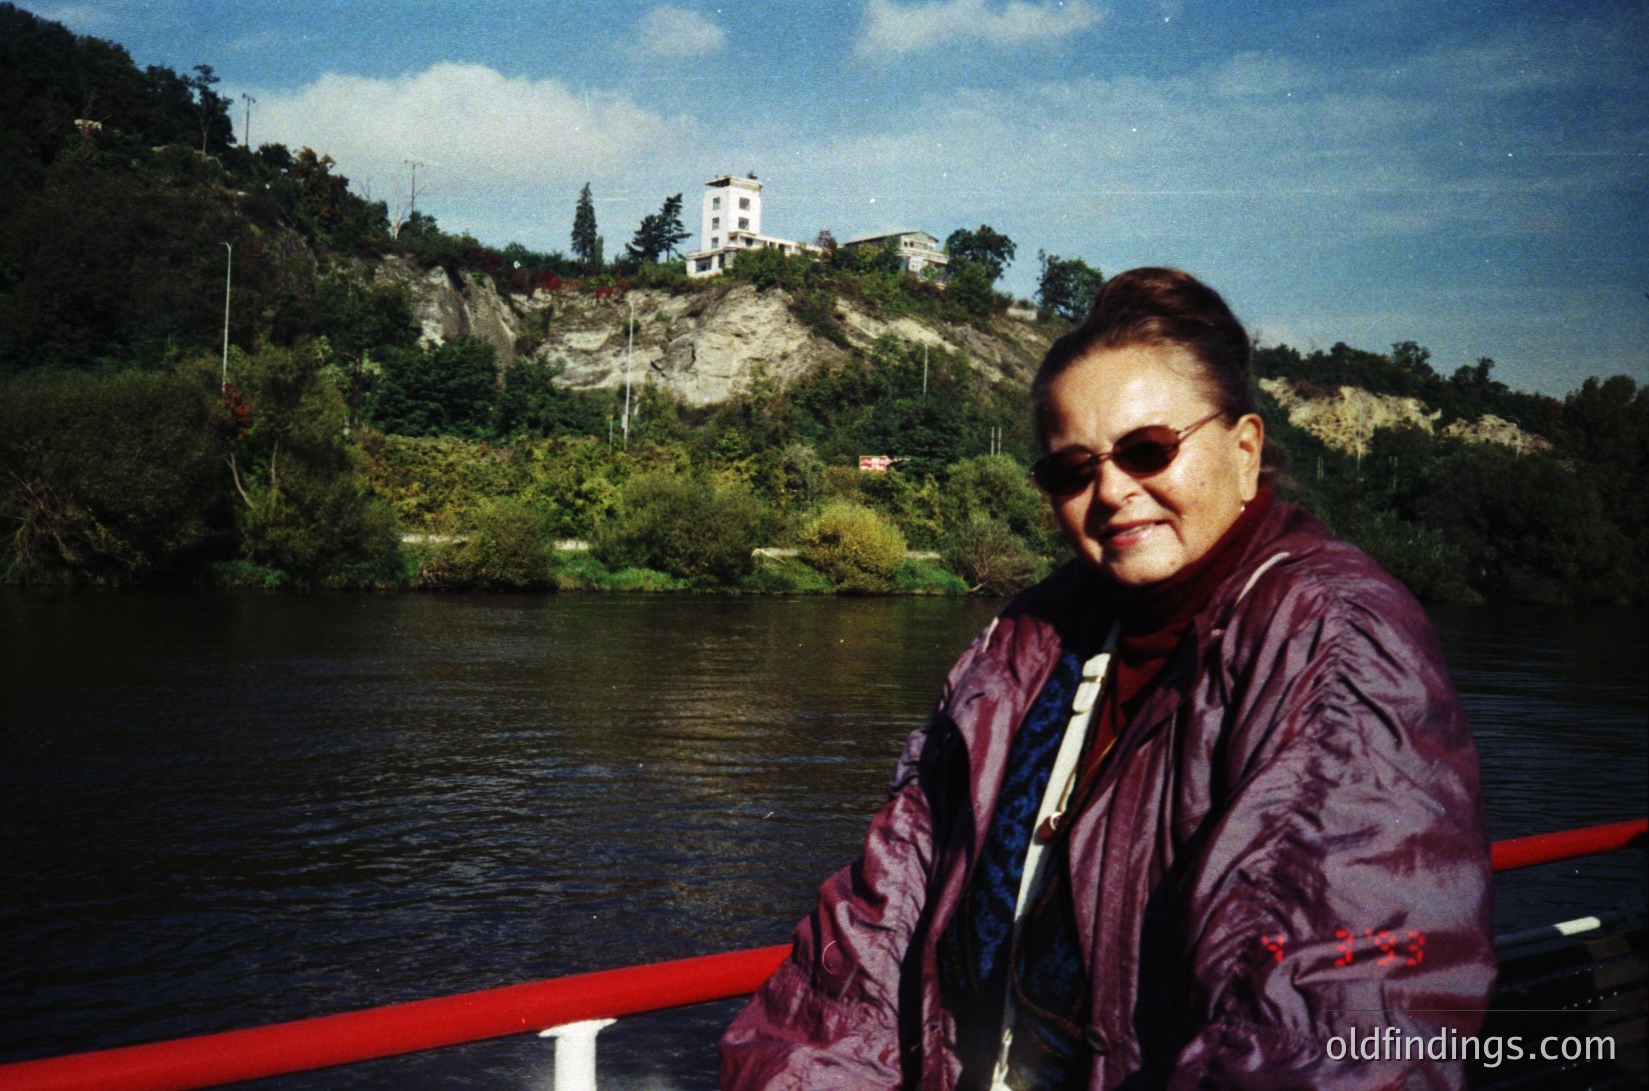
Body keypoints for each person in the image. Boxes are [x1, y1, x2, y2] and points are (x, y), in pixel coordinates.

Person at [721, 268, 1495, 1089]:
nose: (1112, 493)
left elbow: (1329, 1016)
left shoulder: (1331, 639)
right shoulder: (1020, 647)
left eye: (1147, 450)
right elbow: (880, 928)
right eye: (1070, 471)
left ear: (1245, 449)